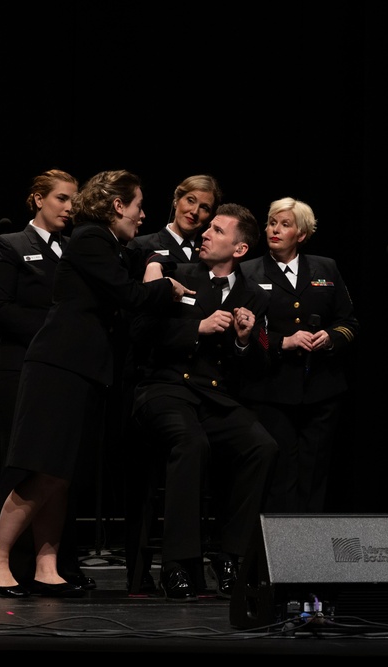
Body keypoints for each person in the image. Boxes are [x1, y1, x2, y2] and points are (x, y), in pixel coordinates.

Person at [0, 169, 192, 598]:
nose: (142, 215)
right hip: (58, 365)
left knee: (61, 473)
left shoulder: (112, 244)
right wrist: (166, 287)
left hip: (84, 369)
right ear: (117, 206)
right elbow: (130, 296)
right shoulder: (92, 239)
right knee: (42, 466)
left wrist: (153, 263)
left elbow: (143, 256)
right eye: (137, 206)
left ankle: (46, 563)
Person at [131, 202, 279, 601]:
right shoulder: (176, 275)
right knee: (190, 443)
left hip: (215, 398)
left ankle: (231, 558)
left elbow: (259, 368)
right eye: (207, 228)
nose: (205, 233)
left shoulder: (253, 296)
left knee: (261, 446)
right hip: (166, 389)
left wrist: (245, 339)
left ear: (239, 250)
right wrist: (197, 327)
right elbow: (139, 335)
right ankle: (178, 565)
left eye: (216, 230)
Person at [0, 168, 94, 590]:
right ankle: (3, 558)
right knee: (26, 469)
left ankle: (49, 565)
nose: (70, 207)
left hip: (61, 374)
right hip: (19, 371)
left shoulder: (74, 248)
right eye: (62, 199)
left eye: (73, 200)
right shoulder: (11, 244)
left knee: (59, 470)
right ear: (38, 199)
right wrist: (56, 332)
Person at [121, 174, 223, 592]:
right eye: (190, 202)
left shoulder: (206, 256)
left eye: (205, 209)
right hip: (146, 375)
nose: (195, 213)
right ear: (176, 199)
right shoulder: (143, 246)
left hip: (192, 381)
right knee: (142, 482)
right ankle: (136, 574)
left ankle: (186, 568)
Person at [238, 197, 358, 513]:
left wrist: (330, 338)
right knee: (280, 472)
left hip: (322, 388)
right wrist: (282, 342)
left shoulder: (325, 267)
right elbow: (244, 330)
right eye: (271, 223)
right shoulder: (248, 271)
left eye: (285, 225)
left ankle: (311, 547)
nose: (274, 230)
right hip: (272, 389)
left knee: (314, 469)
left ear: (301, 235)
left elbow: (349, 321)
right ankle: (282, 549)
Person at [126, 174, 223, 263]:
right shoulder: (141, 245)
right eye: (190, 200)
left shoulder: (212, 253)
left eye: (204, 208)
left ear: (210, 217)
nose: (195, 212)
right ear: (176, 201)